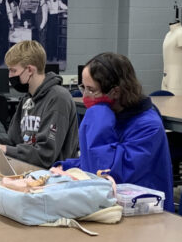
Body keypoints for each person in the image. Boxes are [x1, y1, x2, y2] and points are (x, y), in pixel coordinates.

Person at [58, 53, 174, 211]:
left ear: (116, 92)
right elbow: (89, 161)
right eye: (83, 87)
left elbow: (106, 174)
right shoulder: (116, 115)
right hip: (115, 208)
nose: (84, 96)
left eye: (91, 90)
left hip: (143, 216)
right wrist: (62, 168)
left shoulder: (148, 127)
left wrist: (98, 114)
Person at [0, 40, 78, 168]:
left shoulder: (58, 98)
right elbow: (13, 140)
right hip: (28, 170)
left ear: (29, 69)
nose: (10, 76)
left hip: (54, 177)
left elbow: (45, 154)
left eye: (13, 71)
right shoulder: (27, 99)